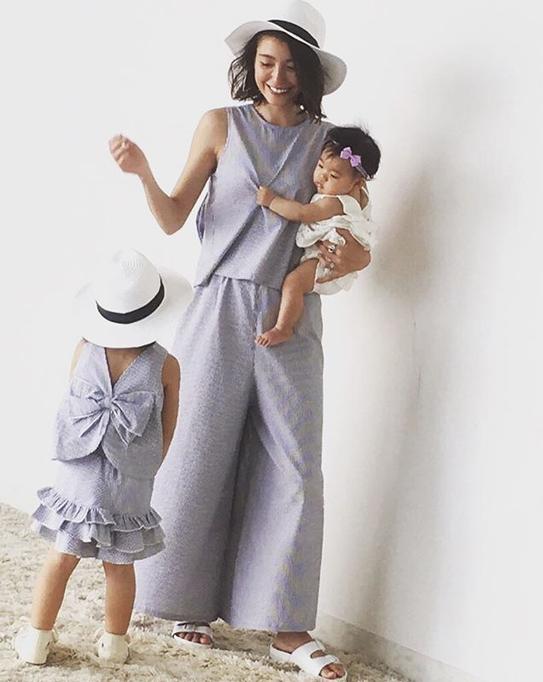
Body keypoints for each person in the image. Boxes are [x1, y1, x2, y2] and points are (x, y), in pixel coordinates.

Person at [109, 2, 371, 678]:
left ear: (311, 73)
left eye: (290, 67)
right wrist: (143, 172)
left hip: (291, 310)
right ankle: (184, 602)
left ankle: (288, 626)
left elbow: (350, 228)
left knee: (296, 466)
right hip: (219, 303)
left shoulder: (330, 144)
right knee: (199, 449)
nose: (277, 78)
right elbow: (173, 217)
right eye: (265, 63)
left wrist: (345, 257)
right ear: (249, 65)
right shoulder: (219, 124)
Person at [14, 250, 188, 665]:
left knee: (61, 557)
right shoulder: (166, 366)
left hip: (78, 473)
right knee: (119, 566)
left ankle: (36, 638)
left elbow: (73, 407)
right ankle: (113, 644)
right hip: (128, 480)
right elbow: (168, 427)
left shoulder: (83, 348)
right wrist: (148, 465)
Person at [256, 125, 381, 346]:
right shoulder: (358, 195)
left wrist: (272, 201)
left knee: (293, 283)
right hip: (334, 255)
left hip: (326, 260)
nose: (321, 177)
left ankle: (283, 328)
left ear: (356, 183)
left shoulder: (335, 202)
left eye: (333, 176)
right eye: (320, 165)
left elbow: (303, 213)